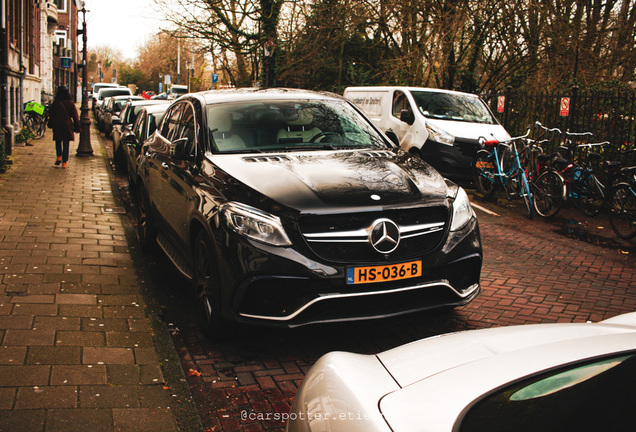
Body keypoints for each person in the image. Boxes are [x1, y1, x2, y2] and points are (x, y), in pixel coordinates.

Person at [47, 85, 80, 168]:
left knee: (58, 141)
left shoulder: (55, 103)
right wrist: (77, 127)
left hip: (57, 125)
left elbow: (52, 115)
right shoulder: (70, 103)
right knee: (66, 143)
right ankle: (64, 162)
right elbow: (75, 116)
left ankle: (59, 156)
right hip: (67, 125)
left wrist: (50, 124)